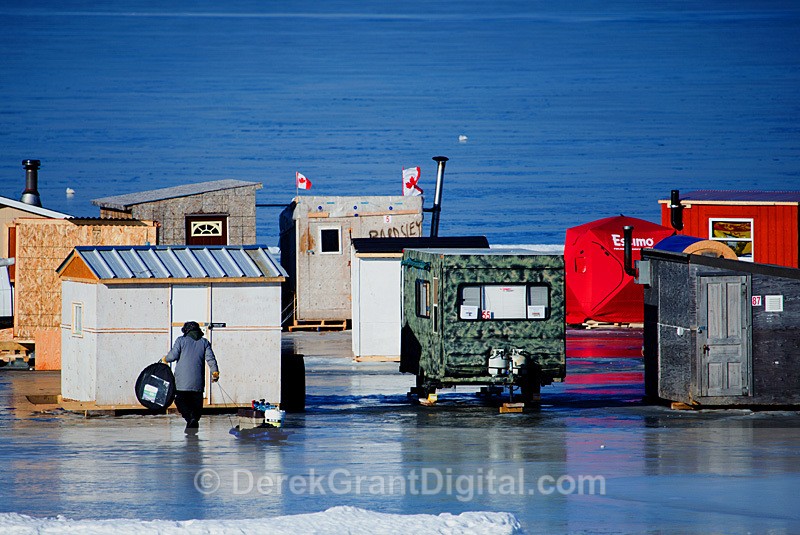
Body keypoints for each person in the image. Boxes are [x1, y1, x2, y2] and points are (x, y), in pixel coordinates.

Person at [163, 321, 219, 431]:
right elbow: (210, 359)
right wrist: (215, 372)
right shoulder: (204, 342)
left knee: (180, 401)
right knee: (196, 404)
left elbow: (173, 356)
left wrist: (164, 359)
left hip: (181, 383)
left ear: (186, 330)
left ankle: (190, 419)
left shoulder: (181, 340)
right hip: (197, 382)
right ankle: (193, 421)